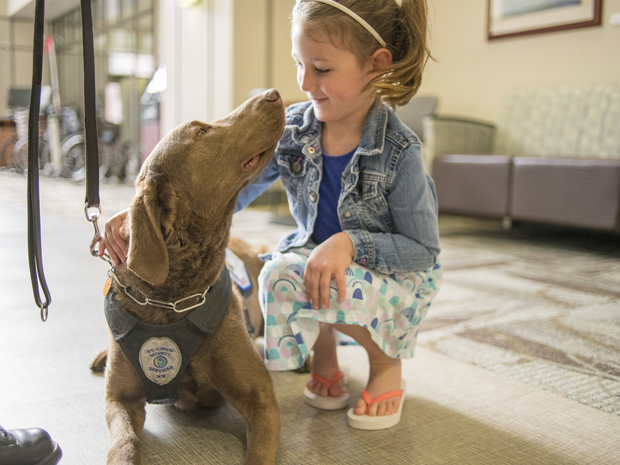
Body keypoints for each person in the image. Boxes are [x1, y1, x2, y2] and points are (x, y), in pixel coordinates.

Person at [100, 0, 441, 431]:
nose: (304, 81)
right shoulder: (298, 131)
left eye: (321, 68)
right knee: (279, 273)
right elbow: (225, 196)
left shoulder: (400, 151)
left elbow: (423, 250)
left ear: (375, 65)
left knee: (327, 270)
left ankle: (385, 364)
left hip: (394, 276)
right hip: (322, 263)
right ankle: (325, 356)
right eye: (298, 63)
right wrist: (141, 217)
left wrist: (350, 242)